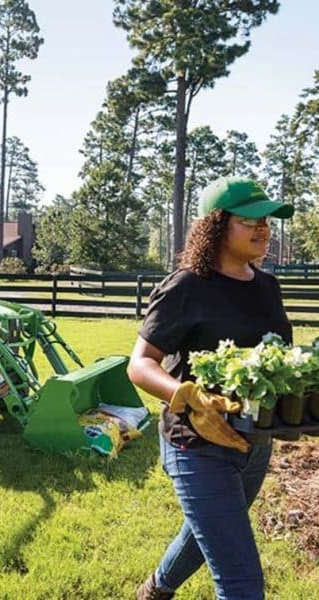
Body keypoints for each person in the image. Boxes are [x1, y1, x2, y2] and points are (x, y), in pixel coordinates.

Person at [127, 176, 294, 600]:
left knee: (204, 533)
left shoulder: (267, 287)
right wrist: (185, 395)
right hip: (196, 444)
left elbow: (277, 361)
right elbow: (140, 364)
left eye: (267, 221)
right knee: (241, 583)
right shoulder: (187, 287)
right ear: (216, 225)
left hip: (255, 442)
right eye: (250, 220)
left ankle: (154, 591)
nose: (264, 228)